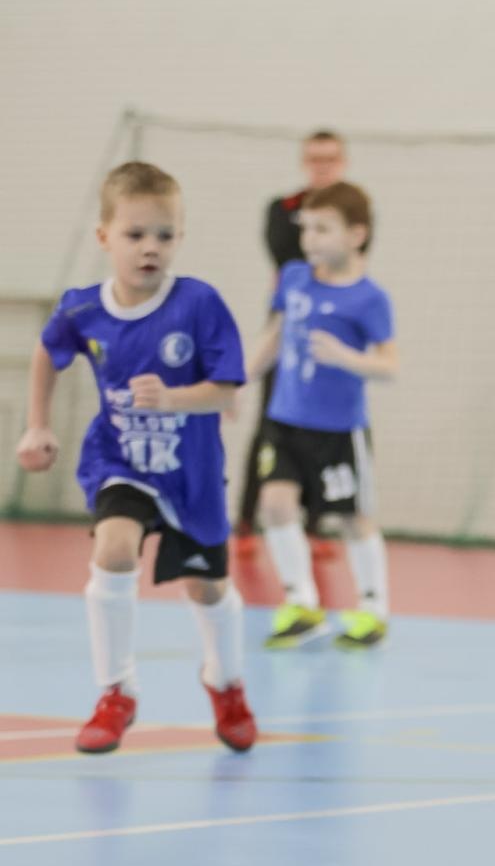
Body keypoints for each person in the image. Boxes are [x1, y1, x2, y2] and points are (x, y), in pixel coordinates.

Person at [15, 161, 257, 754]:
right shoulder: (81, 310)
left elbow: (227, 391)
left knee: (208, 590)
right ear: (105, 238)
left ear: (179, 238)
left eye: (164, 235)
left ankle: (225, 684)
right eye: (135, 234)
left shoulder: (199, 305)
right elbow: (49, 353)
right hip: (120, 459)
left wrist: (175, 396)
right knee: (113, 548)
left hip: (190, 474)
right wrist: (38, 425)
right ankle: (116, 692)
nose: (150, 248)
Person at [247, 182, 396, 649]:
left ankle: (373, 609)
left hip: (337, 430)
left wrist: (346, 358)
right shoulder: (294, 277)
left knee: (352, 518)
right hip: (284, 419)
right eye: (306, 228)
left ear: (356, 234)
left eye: (323, 229)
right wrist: (237, 380)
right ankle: (302, 603)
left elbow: (390, 364)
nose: (310, 238)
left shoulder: (369, 298)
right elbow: (274, 334)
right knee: (273, 504)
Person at [237, 130, 350, 542]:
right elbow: (285, 254)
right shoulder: (282, 208)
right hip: (288, 320)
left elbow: (350, 259)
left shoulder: (354, 213)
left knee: (326, 422)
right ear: (305, 162)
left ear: (342, 163)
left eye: (330, 160)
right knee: (272, 417)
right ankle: (246, 520)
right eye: (315, 159)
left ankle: (316, 522)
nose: (322, 167)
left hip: (334, 326)